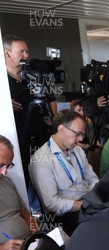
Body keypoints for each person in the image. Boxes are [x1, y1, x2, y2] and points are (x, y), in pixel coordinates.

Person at [29, 110, 99, 235]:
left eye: (82, 135)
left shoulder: (77, 150)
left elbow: (93, 179)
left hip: (88, 201)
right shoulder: (41, 160)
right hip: (66, 213)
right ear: (61, 129)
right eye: (78, 134)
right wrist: (83, 204)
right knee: (101, 226)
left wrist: (95, 198)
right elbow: (51, 203)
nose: (81, 139)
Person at [3, 34, 52, 183]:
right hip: (16, 146)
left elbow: (49, 100)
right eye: (21, 51)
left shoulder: (34, 77)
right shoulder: (2, 82)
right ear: (7, 53)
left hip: (41, 142)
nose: (26, 55)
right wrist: (4, 103)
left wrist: (48, 116)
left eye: (27, 52)